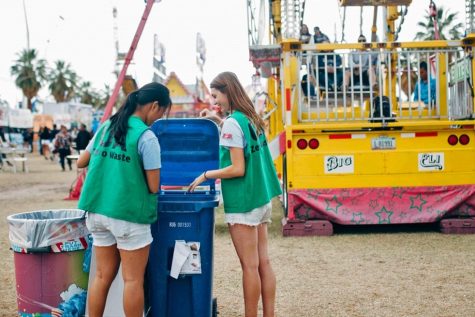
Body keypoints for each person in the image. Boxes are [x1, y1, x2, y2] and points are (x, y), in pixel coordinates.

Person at [189, 72, 281, 317]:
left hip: (243, 201)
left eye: (217, 96)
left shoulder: (232, 122)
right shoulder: (250, 116)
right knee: (263, 263)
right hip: (261, 199)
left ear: (228, 91)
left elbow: (237, 168)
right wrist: (218, 119)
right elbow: (239, 138)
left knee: (249, 267)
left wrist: (206, 174)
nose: (215, 101)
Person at [77, 82, 171, 317]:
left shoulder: (107, 125)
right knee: (132, 280)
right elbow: (152, 186)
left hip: (97, 212)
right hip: (127, 215)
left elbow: (81, 161)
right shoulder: (146, 137)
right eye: (161, 113)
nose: (158, 119)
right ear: (154, 106)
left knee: (101, 276)